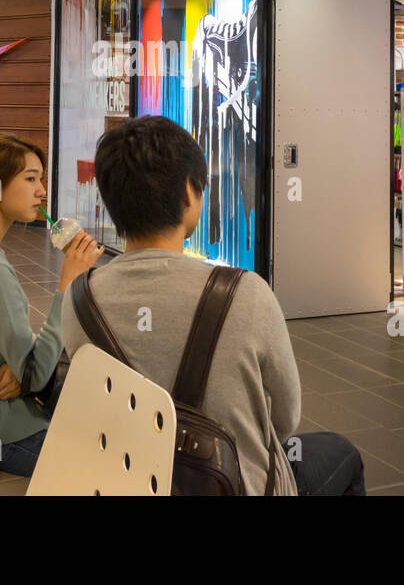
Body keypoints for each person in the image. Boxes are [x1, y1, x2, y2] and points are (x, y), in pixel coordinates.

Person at [63, 115, 366, 496]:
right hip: (232, 485)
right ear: (189, 194)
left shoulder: (78, 299)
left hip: (128, 481)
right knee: (343, 453)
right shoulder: (245, 294)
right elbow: (286, 418)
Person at [0, 136, 102, 477]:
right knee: (112, 458)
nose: (42, 191)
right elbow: (38, 374)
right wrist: (67, 283)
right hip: (9, 433)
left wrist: (19, 365)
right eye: (30, 179)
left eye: (40, 179)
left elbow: (20, 362)